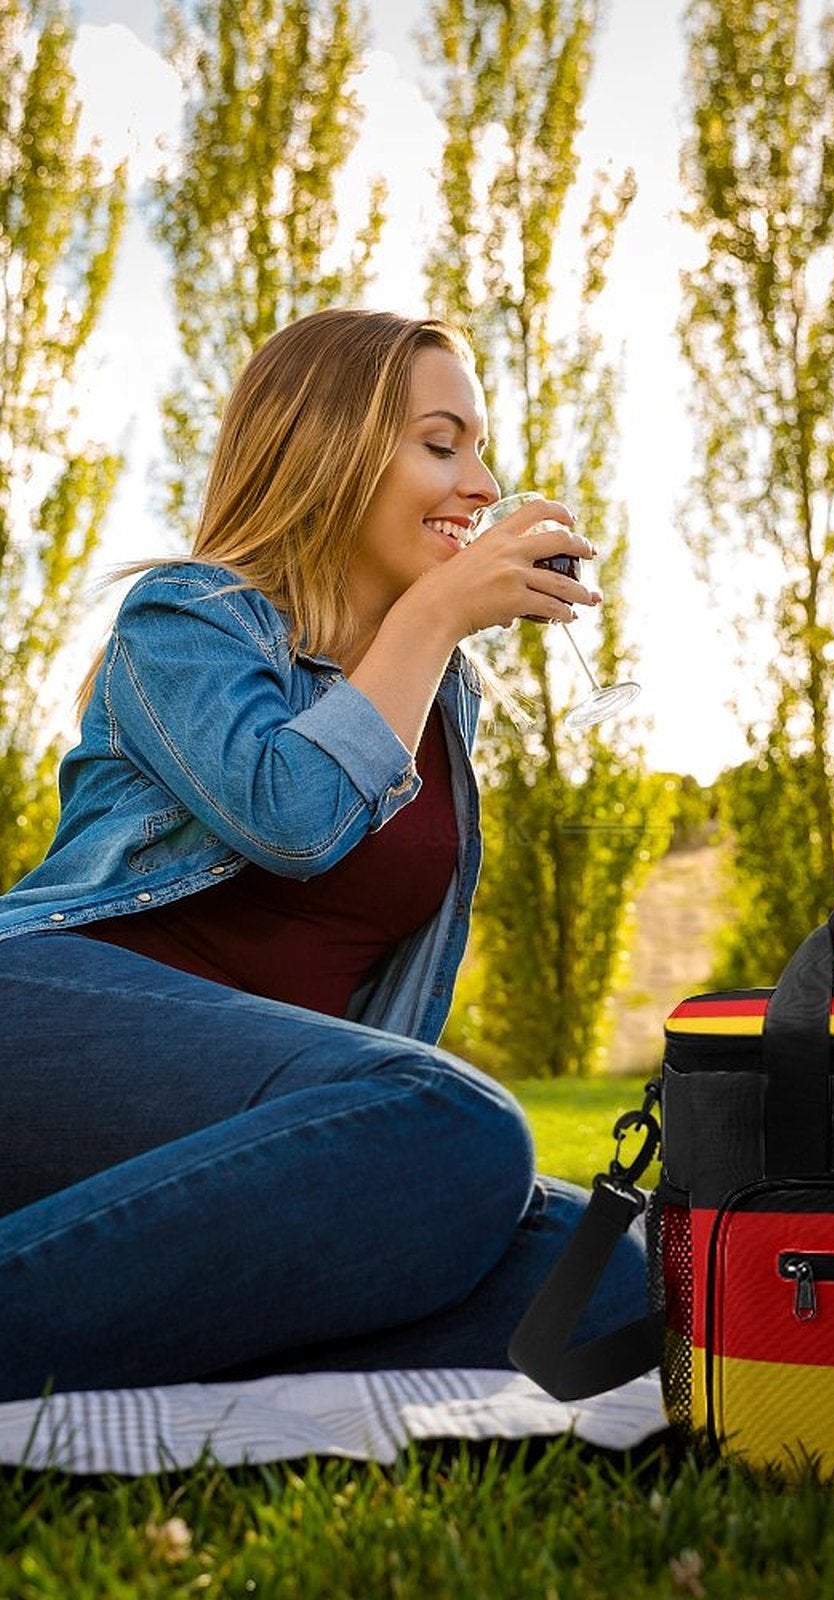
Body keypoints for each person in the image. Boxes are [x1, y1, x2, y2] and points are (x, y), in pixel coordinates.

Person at [0, 308, 646, 1401]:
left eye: (480, 449)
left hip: (243, 1122)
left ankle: (117, 1334)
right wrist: (435, 614)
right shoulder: (186, 618)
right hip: (43, 1029)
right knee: (460, 1125)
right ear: (326, 452)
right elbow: (292, 818)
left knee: (609, 1285)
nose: (482, 483)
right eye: (442, 443)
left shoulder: (445, 703)